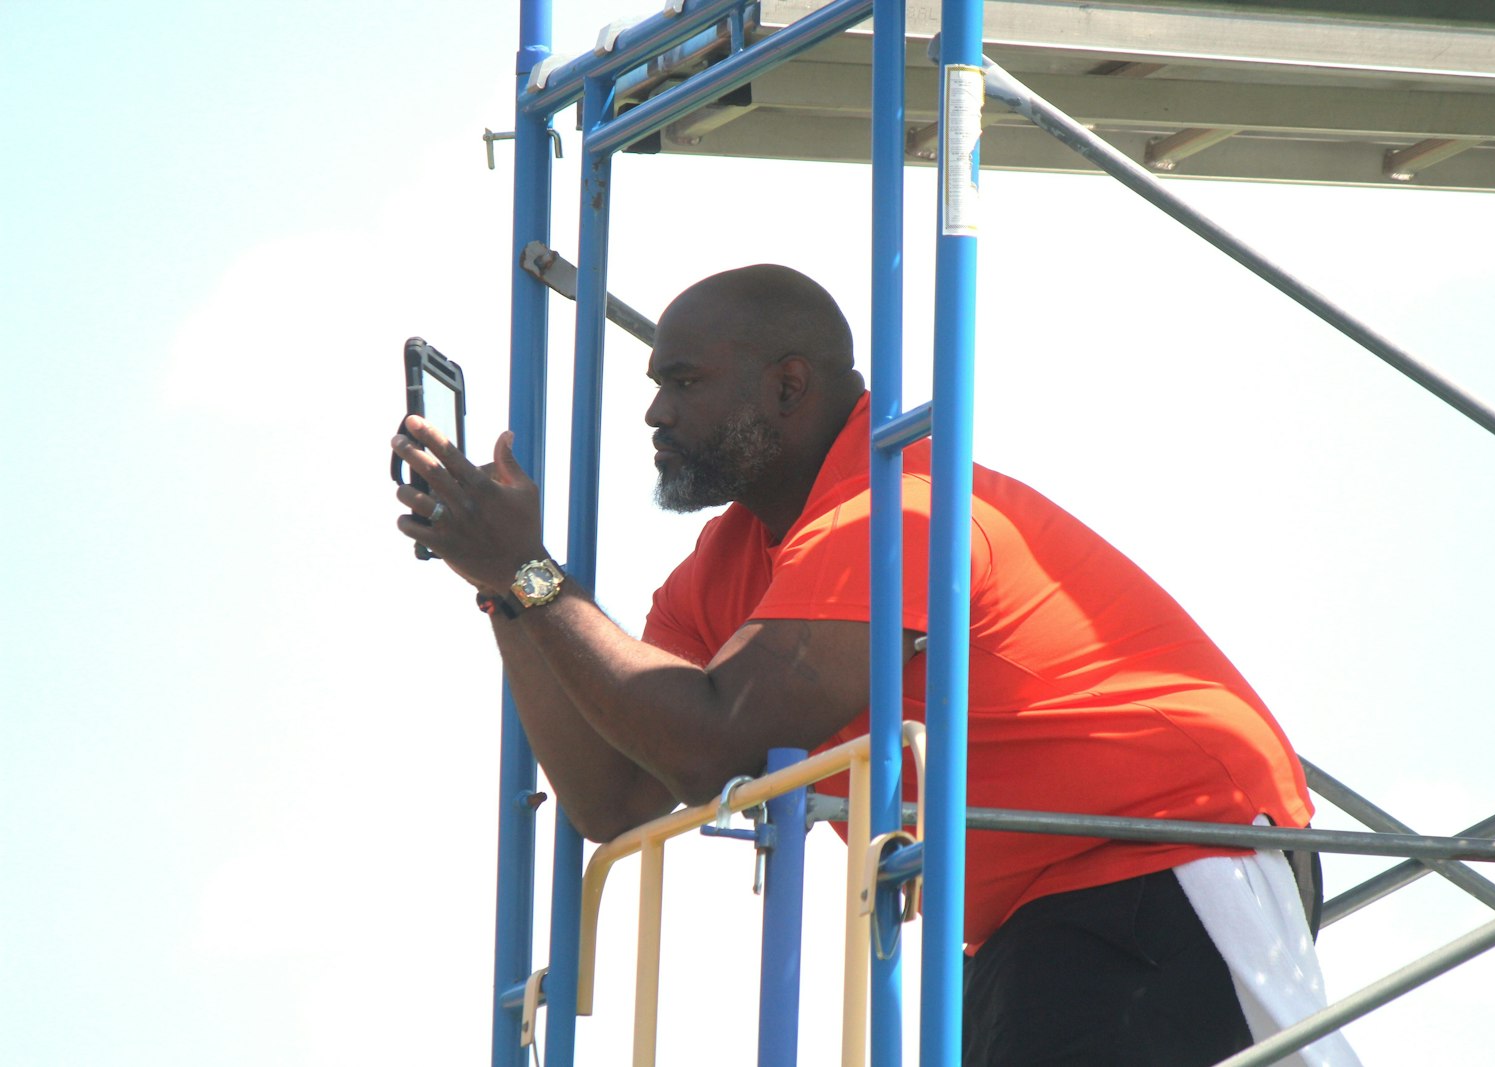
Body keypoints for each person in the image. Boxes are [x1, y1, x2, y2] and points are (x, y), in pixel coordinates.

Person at [392, 264, 1358, 1066]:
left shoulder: (895, 506)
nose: (652, 411)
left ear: (786, 386)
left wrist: (531, 573)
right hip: (1041, 903)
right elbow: (620, 793)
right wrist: (502, 588)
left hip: (1168, 859)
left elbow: (713, 741)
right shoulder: (732, 563)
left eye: (682, 382)